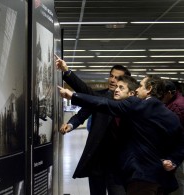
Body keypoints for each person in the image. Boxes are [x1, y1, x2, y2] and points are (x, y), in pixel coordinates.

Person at [58, 75, 184, 194]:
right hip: (160, 176)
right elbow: (180, 142)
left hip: (140, 175)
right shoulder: (171, 116)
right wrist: (173, 160)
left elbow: (105, 104)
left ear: (149, 89)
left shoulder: (137, 104)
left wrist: (73, 96)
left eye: (140, 86)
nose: (137, 90)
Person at [56, 56, 131, 195]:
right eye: (111, 76)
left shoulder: (131, 104)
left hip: (118, 162)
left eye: (117, 78)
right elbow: (83, 111)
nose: (112, 80)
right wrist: (71, 124)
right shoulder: (100, 96)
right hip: (97, 157)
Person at [162, 80, 184, 195]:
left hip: (176, 151)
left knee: (177, 181)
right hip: (177, 150)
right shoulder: (176, 101)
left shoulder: (177, 106)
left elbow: (175, 132)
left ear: (170, 93)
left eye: (162, 93)